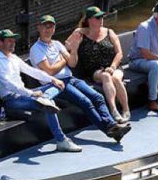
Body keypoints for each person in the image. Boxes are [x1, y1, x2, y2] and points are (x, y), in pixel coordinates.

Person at [30, 14, 131, 143]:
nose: (48, 29)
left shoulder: (57, 44)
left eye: (51, 26)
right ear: (39, 28)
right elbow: (50, 70)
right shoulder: (36, 49)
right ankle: (110, 129)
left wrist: (75, 48)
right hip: (56, 84)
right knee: (86, 101)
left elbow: (72, 63)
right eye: (45, 26)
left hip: (70, 79)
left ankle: (112, 126)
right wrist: (63, 59)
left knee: (98, 97)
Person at [0, 28, 81, 153]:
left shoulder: (13, 58)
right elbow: (9, 85)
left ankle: (45, 97)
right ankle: (61, 140)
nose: (13, 43)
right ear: (0, 42)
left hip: (26, 93)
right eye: (9, 40)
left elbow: (31, 71)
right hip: (11, 99)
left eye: (13, 40)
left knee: (58, 85)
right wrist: (31, 93)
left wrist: (52, 79)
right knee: (49, 105)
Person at [65, 6, 131, 124]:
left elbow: (119, 53)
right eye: (97, 17)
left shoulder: (109, 32)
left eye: (101, 17)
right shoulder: (80, 33)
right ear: (89, 20)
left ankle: (126, 110)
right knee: (106, 76)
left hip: (113, 66)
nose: (101, 20)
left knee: (115, 77)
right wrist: (75, 43)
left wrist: (113, 67)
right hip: (94, 70)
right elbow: (66, 47)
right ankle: (114, 110)